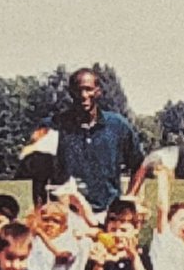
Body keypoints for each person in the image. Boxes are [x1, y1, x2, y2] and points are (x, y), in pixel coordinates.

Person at [52, 68, 147, 215]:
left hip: (107, 214)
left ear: (98, 91)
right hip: (67, 215)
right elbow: (40, 174)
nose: (83, 95)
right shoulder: (56, 126)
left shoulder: (117, 125)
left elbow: (140, 165)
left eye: (88, 89)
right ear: (71, 92)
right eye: (78, 90)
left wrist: (129, 198)